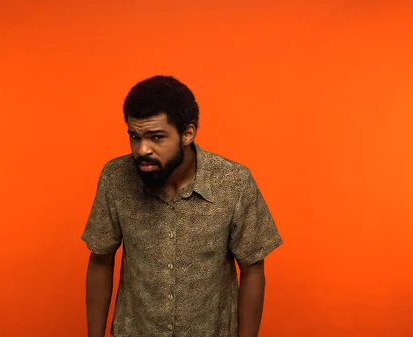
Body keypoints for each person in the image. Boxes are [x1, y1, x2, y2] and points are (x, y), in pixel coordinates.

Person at [82, 75, 283, 337]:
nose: (142, 149)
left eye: (156, 137)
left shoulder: (234, 182)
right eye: (135, 136)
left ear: (187, 133)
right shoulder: (115, 178)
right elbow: (100, 259)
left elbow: (252, 268)